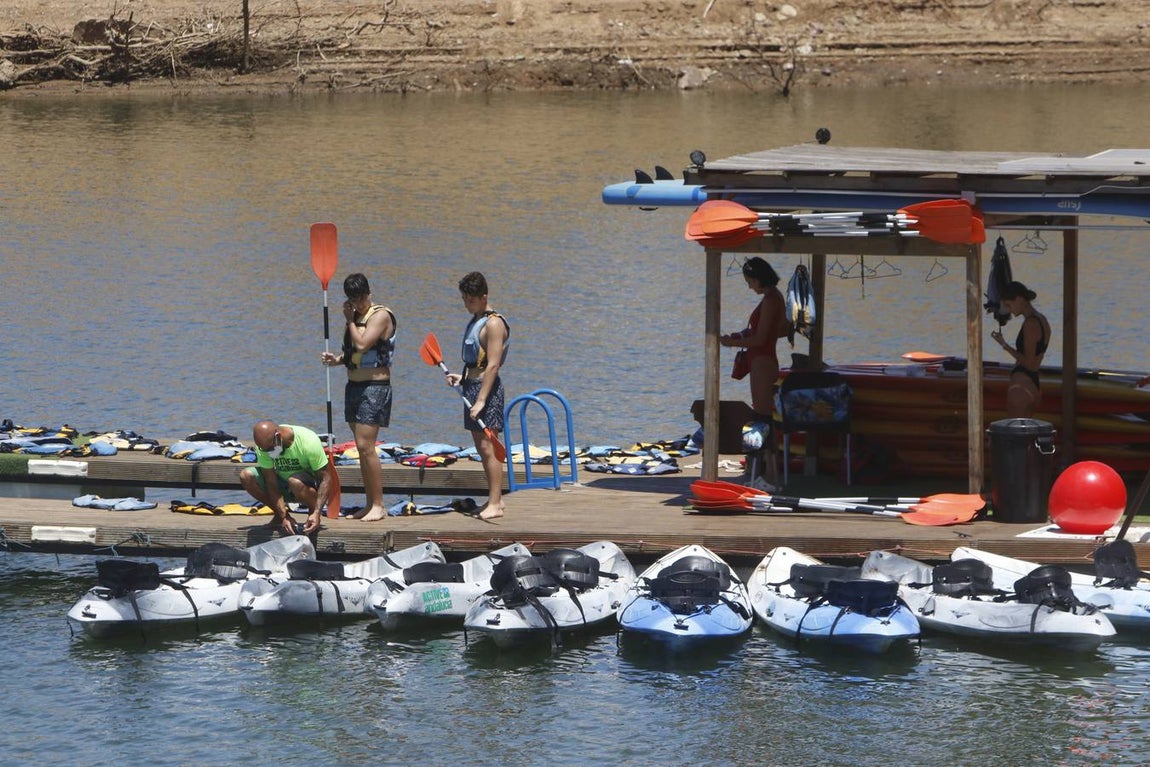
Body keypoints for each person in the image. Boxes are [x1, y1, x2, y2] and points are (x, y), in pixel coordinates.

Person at [320, 273, 396, 522]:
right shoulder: (356, 317)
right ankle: (368, 503)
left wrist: (350, 320)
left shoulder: (380, 315)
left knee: (366, 447)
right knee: (362, 450)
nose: (360, 302)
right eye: (354, 298)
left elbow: (363, 344)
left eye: (362, 297)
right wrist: (338, 360)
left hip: (375, 387)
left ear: (368, 293)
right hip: (353, 387)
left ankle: (379, 505)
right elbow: (354, 352)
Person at [444, 271, 509, 521]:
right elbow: (477, 361)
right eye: (464, 299)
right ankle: (494, 499)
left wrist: (481, 399)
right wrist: (462, 378)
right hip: (472, 385)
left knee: (488, 446)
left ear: (484, 297)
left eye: (471, 299)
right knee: (481, 448)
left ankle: (496, 502)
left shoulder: (494, 323)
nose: (467, 304)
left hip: (487, 390)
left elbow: (492, 365)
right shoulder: (476, 319)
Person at [720, 257, 786, 490]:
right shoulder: (773, 298)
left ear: (758, 279)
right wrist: (739, 336)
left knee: (763, 419)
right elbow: (759, 333)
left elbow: (760, 338)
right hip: (761, 359)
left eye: (750, 282)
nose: (749, 286)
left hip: (762, 362)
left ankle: (768, 476)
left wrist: (732, 343)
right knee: (763, 418)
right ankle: (768, 472)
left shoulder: (771, 300)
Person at [239, 420, 333, 535]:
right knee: (246, 476)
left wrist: (317, 511)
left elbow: (326, 478)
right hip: (282, 484)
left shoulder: (308, 441)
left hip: (305, 486)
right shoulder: (264, 446)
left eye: (270, 449)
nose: (268, 453)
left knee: (294, 481)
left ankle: (313, 514)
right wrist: (284, 515)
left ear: (278, 436)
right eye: (264, 450)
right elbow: (271, 482)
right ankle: (279, 515)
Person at [991, 280, 1051, 418]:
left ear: (1019, 299)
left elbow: (1029, 362)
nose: (1009, 310)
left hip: (1022, 386)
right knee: (1025, 435)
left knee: (1015, 434)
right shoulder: (1042, 320)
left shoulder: (1031, 323)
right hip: (1032, 382)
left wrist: (1005, 346)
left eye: (1009, 304)